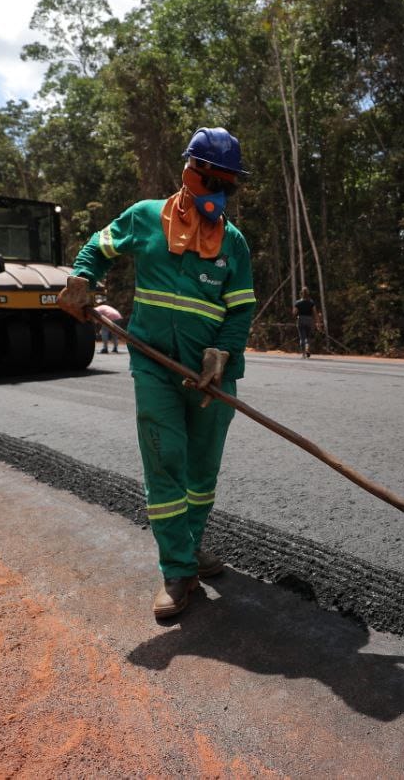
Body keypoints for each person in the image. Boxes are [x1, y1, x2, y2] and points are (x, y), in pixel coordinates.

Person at [57, 127, 255, 619]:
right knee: (166, 464)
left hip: (211, 377)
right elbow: (98, 248)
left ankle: (191, 546)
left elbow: (239, 312)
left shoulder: (234, 244)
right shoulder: (145, 217)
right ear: (192, 172)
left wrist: (222, 356)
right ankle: (178, 570)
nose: (220, 194)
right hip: (154, 367)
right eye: (214, 181)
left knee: (201, 474)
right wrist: (84, 281)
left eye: (228, 185)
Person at [292, 287, 319, 358]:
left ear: (301, 294)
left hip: (300, 319)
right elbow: (315, 313)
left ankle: (303, 354)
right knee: (308, 337)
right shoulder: (311, 302)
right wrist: (317, 322)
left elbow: (294, 312)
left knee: (302, 337)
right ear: (308, 294)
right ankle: (307, 349)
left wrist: (295, 316)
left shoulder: (298, 302)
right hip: (309, 320)